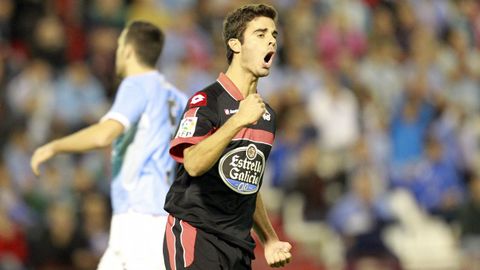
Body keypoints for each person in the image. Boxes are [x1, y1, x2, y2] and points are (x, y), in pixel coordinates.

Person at [30, 21, 187, 270]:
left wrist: (53, 147)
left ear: (127, 50)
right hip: (155, 215)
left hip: (140, 217)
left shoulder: (136, 84)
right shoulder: (179, 98)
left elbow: (104, 135)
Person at [163, 4, 292, 269]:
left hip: (238, 246)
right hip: (197, 234)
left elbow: (246, 185)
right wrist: (237, 121)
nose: (271, 39)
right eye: (260, 33)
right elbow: (193, 163)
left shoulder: (266, 116)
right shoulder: (205, 101)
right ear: (236, 44)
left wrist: (269, 238)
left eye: (274, 35)